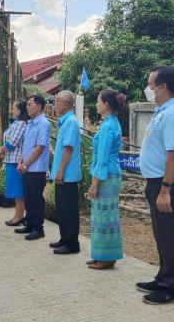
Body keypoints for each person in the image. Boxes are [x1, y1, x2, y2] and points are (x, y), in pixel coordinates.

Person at [137, 66, 174, 305]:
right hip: (157, 182)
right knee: (161, 233)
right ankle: (163, 277)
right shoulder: (161, 110)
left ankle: (171, 288)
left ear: (162, 87)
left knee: (169, 234)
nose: (147, 89)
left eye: (150, 85)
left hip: (170, 184)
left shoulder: (173, 115)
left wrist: (165, 189)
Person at [86, 89, 126, 269]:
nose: (96, 104)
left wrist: (94, 184)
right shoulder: (110, 123)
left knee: (105, 216)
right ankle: (101, 254)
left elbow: (102, 158)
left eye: (98, 101)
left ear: (106, 104)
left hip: (106, 175)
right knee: (100, 215)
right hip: (107, 173)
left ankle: (107, 257)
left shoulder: (109, 126)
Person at [49, 91, 81, 254]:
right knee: (62, 208)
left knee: (68, 209)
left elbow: (68, 149)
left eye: (57, 102)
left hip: (67, 174)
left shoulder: (70, 122)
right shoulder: (65, 121)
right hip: (63, 174)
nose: (54, 105)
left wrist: (60, 171)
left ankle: (72, 243)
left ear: (65, 104)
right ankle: (64, 238)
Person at [15, 95, 50, 241]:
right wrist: (20, 162)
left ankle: (38, 228)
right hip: (26, 166)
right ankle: (29, 223)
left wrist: (26, 164)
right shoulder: (30, 123)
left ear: (40, 106)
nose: (27, 107)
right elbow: (26, 145)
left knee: (36, 199)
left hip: (36, 168)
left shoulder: (43, 123)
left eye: (31, 104)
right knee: (28, 197)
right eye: (27, 104)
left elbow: (40, 147)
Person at [0, 100, 29, 226]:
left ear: (20, 110)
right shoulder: (16, 123)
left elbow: (12, 142)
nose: (12, 110)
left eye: (14, 108)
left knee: (18, 191)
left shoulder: (22, 123)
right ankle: (17, 215)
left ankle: (19, 216)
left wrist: (2, 149)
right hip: (10, 159)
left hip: (17, 161)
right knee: (15, 191)